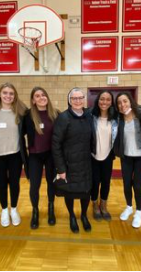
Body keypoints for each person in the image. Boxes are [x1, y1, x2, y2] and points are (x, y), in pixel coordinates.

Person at [0, 83, 28, 228]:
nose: (8, 96)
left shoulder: (21, 112)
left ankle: (14, 209)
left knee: (15, 183)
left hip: (15, 155)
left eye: (11, 93)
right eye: (5, 93)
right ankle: (4, 210)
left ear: (15, 95)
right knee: (1, 184)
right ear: (0, 94)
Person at [52, 87, 92, 233]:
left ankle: (83, 215)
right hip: (69, 164)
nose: (78, 101)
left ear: (84, 99)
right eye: (74, 98)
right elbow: (56, 144)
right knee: (70, 192)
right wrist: (61, 169)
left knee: (86, 192)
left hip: (86, 163)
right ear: (69, 100)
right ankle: (72, 216)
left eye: (80, 97)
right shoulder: (63, 117)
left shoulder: (88, 115)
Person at [24, 87, 59, 229]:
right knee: (34, 186)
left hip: (51, 155)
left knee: (52, 183)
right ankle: (35, 211)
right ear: (33, 100)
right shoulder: (27, 115)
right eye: (37, 96)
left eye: (43, 94)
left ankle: (51, 209)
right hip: (34, 155)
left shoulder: (56, 114)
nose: (41, 97)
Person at [114, 92, 141, 228]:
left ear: (131, 101)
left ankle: (138, 212)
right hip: (126, 156)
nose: (122, 105)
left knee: (137, 186)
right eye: (119, 103)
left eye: (125, 101)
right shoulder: (119, 119)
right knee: (126, 184)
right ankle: (129, 206)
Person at [90, 90, 118, 221]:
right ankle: (95, 205)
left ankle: (104, 205)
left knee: (106, 182)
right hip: (93, 155)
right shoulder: (90, 116)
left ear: (111, 102)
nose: (104, 102)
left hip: (108, 156)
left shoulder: (116, 118)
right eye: (102, 99)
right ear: (98, 100)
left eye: (107, 99)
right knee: (95, 182)